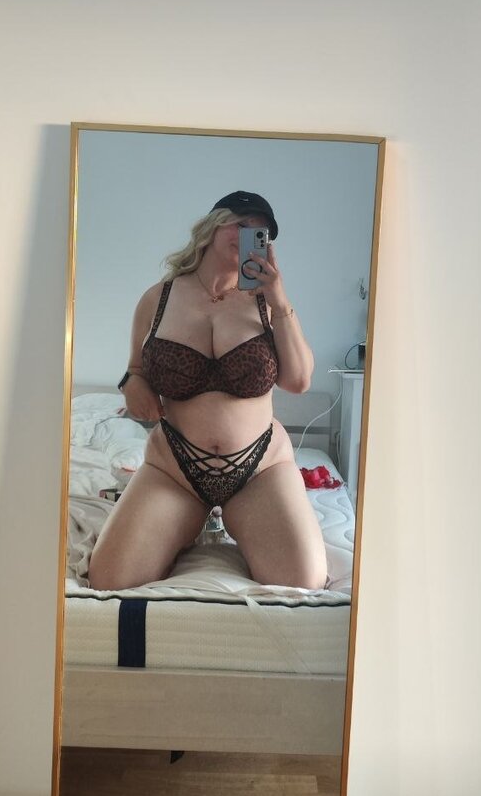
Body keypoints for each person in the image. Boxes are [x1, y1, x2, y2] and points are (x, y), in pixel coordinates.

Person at [88, 191, 328, 592]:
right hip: (174, 470)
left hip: (259, 470)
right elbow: (134, 371)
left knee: (303, 580)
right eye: (241, 224)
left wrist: (280, 298)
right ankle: (189, 520)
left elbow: (299, 381)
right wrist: (132, 388)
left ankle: (218, 518)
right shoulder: (158, 299)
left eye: (260, 232)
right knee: (110, 580)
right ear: (214, 225)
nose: (249, 235)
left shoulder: (268, 304)